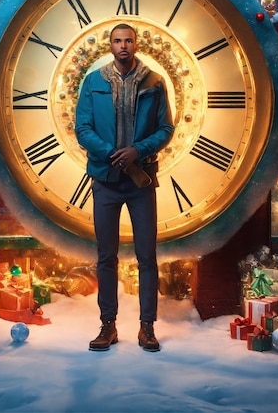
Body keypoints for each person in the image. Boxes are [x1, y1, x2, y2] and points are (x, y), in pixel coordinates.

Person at [75, 23, 174, 352]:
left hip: (140, 180)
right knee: (106, 257)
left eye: (128, 40)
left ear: (136, 43)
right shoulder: (93, 82)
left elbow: (166, 129)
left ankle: (147, 327)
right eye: (117, 41)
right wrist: (111, 153)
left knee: (147, 256)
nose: (123, 46)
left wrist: (139, 150)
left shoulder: (155, 82)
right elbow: (83, 129)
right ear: (110, 45)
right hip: (105, 180)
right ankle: (108, 326)